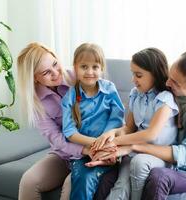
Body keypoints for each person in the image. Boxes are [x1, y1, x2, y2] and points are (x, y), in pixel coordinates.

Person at [95, 49, 186, 200]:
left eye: (174, 82)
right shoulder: (161, 89)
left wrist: (133, 147)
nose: (167, 83)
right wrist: (113, 140)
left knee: (158, 177)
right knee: (108, 177)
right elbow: (132, 125)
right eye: (169, 76)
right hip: (150, 155)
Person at [89, 48, 179, 200]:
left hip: (158, 154)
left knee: (138, 162)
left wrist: (115, 142)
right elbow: (129, 128)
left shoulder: (165, 99)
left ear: (155, 74)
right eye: (133, 74)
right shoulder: (135, 94)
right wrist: (111, 134)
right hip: (135, 150)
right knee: (120, 186)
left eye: (138, 75)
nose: (133, 80)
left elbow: (151, 134)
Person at [17, 42, 85, 200]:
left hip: (91, 150)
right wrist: (82, 150)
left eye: (55, 64)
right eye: (47, 72)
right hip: (64, 154)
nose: (56, 73)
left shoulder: (78, 78)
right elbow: (55, 138)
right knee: (29, 181)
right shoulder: (36, 101)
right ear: (34, 78)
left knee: (72, 184)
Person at [61, 43, 125, 200]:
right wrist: (95, 144)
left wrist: (104, 144)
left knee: (103, 169)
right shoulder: (69, 97)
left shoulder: (109, 89)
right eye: (84, 66)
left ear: (101, 68)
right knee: (83, 178)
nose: (90, 72)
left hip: (109, 146)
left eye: (95, 67)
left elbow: (116, 119)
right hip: (83, 152)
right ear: (75, 67)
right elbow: (69, 132)